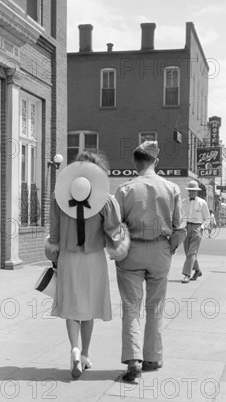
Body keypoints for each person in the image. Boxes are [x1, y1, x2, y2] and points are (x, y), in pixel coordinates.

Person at [45, 152, 129, 379]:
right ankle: (85, 354)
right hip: (93, 258)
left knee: (72, 305)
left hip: (68, 258)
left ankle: (73, 349)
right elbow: (114, 232)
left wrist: (54, 251)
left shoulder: (59, 199)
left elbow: (53, 234)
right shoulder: (105, 200)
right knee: (89, 307)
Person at [114, 141, 182, 382]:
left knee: (131, 307)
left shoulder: (124, 189)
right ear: (156, 162)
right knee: (155, 307)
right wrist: (169, 250)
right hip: (160, 249)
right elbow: (178, 227)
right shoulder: (172, 188)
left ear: (135, 163)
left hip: (132, 249)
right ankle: (152, 357)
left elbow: (115, 225)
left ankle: (133, 358)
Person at [180, 180, 209, 283]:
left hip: (197, 228)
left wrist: (202, 227)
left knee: (191, 252)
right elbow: (181, 215)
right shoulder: (183, 202)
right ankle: (197, 271)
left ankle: (186, 274)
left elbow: (208, 218)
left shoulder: (202, 202)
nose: (191, 192)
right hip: (185, 227)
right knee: (188, 252)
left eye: (193, 190)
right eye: (190, 190)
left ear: (197, 191)